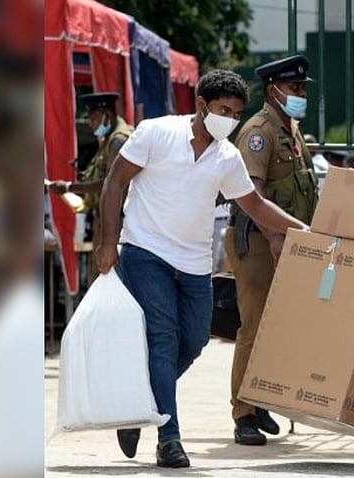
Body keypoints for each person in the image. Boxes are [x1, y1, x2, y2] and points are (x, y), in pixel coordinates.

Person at [94, 69, 308, 468]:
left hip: (192, 263)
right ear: (200, 105)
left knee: (194, 341)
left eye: (236, 112)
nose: (229, 118)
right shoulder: (156, 133)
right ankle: (168, 439)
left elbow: (256, 206)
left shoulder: (227, 156)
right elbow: (114, 182)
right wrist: (108, 241)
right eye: (223, 109)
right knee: (163, 337)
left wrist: (305, 230)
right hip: (145, 251)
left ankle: (140, 403)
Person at [224, 55, 320, 447]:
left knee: (278, 330)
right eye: (295, 88)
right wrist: (276, 238)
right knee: (255, 327)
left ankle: (261, 397)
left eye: (303, 89)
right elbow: (252, 196)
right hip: (259, 243)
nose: (301, 94)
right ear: (272, 90)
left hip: (286, 244)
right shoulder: (259, 131)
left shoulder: (290, 130)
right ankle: (243, 413)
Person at [46, 92, 132, 283]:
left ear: (107, 115)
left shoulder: (119, 141)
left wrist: (69, 187)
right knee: (102, 278)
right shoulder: (109, 140)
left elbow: (110, 184)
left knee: (110, 279)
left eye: (94, 119)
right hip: (106, 221)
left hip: (116, 224)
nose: (92, 124)